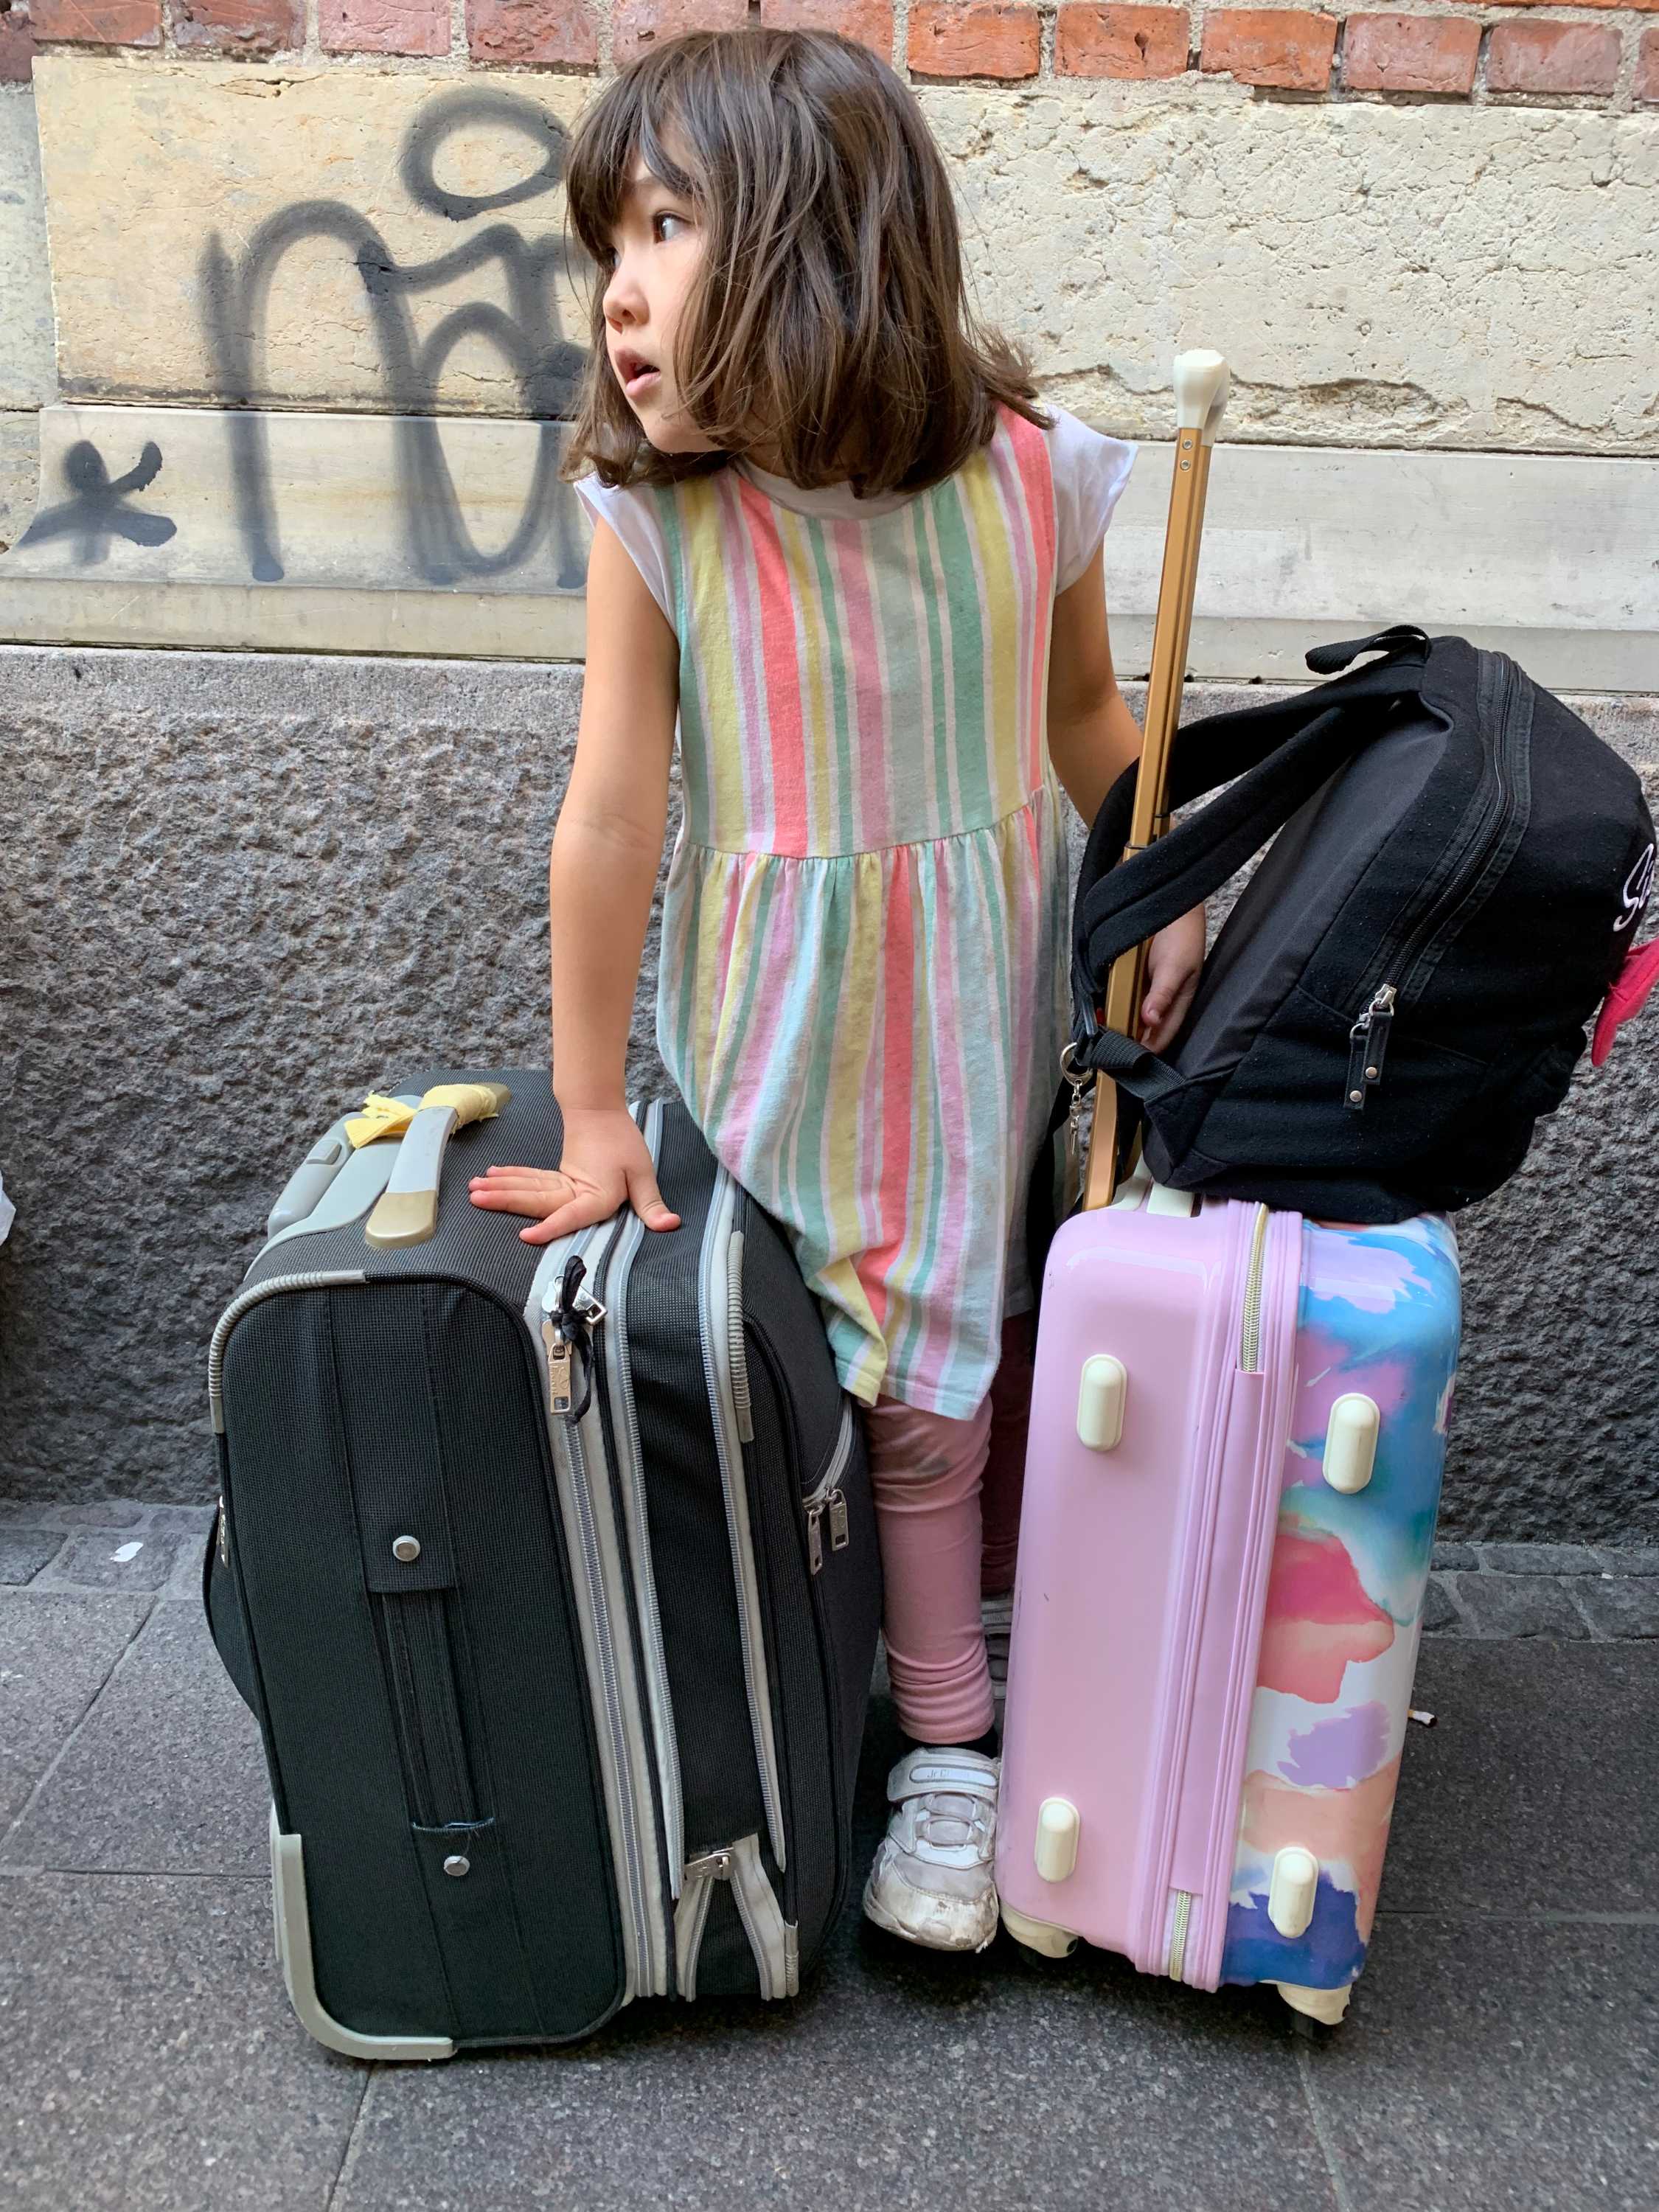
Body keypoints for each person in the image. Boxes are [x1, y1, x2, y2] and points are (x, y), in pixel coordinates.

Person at [469, 26, 1206, 1952]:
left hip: (978, 1004)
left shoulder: (1031, 483)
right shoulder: (665, 524)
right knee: (847, 1374)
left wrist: (1164, 883)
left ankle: (952, 1745)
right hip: (787, 1017)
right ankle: (887, 1688)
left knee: (942, 1380)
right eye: (603, 246)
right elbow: (612, 816)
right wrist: (605, 1106)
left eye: (661, 228)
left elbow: (1075, 716)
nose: (618, 292)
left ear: (814, 246)